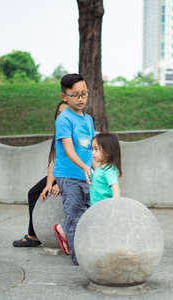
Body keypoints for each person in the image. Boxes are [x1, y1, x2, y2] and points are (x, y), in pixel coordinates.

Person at [12, 100, 68, 247]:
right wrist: (49, 184)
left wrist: (61, 184)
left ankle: (36, 235)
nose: (62, 117)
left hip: (74, 175)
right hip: (61, 172)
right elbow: (53, 162)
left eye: (66, 113)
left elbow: (78, 162)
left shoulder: (74, 133)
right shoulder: (59, 134)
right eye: (59, 113)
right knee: (34, 192)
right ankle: (34, 235)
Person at [52, 73, 95, 264]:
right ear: (64, 97)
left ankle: (63, 228)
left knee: (89, 212)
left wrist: (97, 170)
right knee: (76, 214)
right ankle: (79, 259)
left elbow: (91, 149)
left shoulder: (88, 120)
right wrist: (84, 167)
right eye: (76, 95)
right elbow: (68, 150)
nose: (81, 99)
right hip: (69, 175)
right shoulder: (64, 119)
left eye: (84, 94)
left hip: (85, 174)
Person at [90, 133, 122, 206]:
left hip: (105, 208)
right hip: (96, 207)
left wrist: (115, 205)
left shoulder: (109, 170)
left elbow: (115, 188)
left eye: (96, 149)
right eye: (92, 149)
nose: (93, 153)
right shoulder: (100, 168)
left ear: (107, 152)